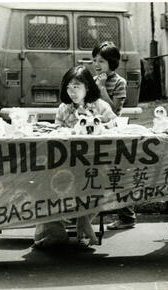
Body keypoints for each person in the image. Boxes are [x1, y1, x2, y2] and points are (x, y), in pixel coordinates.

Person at [53, 65, 117, 246]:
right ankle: (83, 225)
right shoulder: (63, 109)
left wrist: (103, 125)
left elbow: (115, 125)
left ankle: (83, 222)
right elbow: (56, 131)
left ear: (87, 87)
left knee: (102, 188)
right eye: (68, 87)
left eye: (76, 87)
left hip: (98, 163)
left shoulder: (100, 105)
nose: (72, 92)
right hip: (68, 164)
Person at [91, 41, 136, 230]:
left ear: (112, 62)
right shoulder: (93, 79)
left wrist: (101, 88)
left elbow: (114, 109)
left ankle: (127, 216)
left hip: (113, 131)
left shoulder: (119, 82)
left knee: (118, 172)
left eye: (101, 61)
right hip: (94, 130)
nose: (96, 64)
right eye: (94, 60)